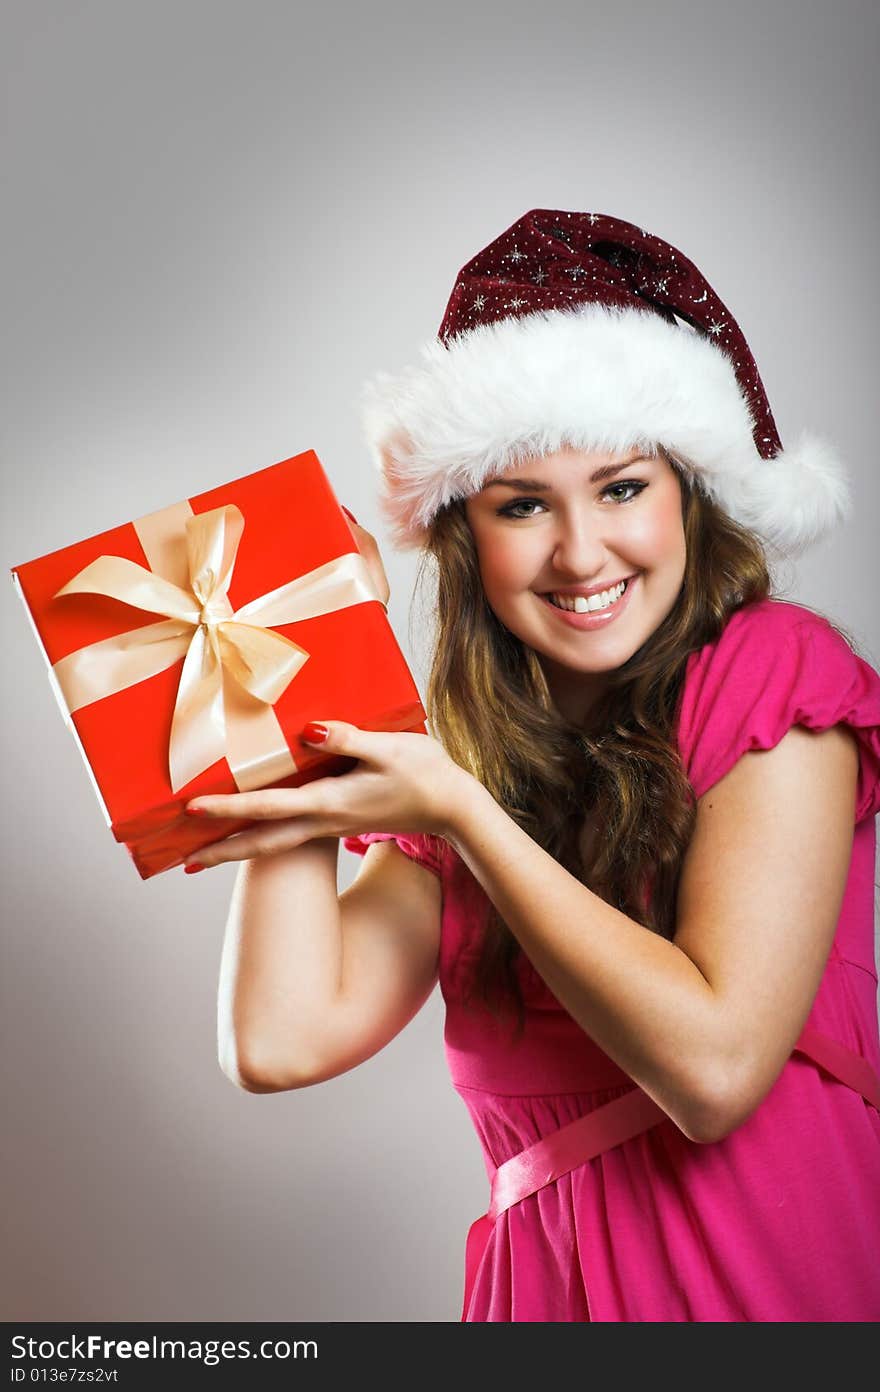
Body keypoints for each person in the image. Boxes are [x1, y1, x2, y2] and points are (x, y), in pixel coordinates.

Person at [182, 210, 880, 1322]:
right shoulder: (463, 765)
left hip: (762, 1287)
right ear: (468, 536)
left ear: (689, 496)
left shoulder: (772, 675)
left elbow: (712, 1073)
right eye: (521, 506)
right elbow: (277, 1039)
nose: (579, 553)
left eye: (620, 488)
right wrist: (303, 693)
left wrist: (463, 815)